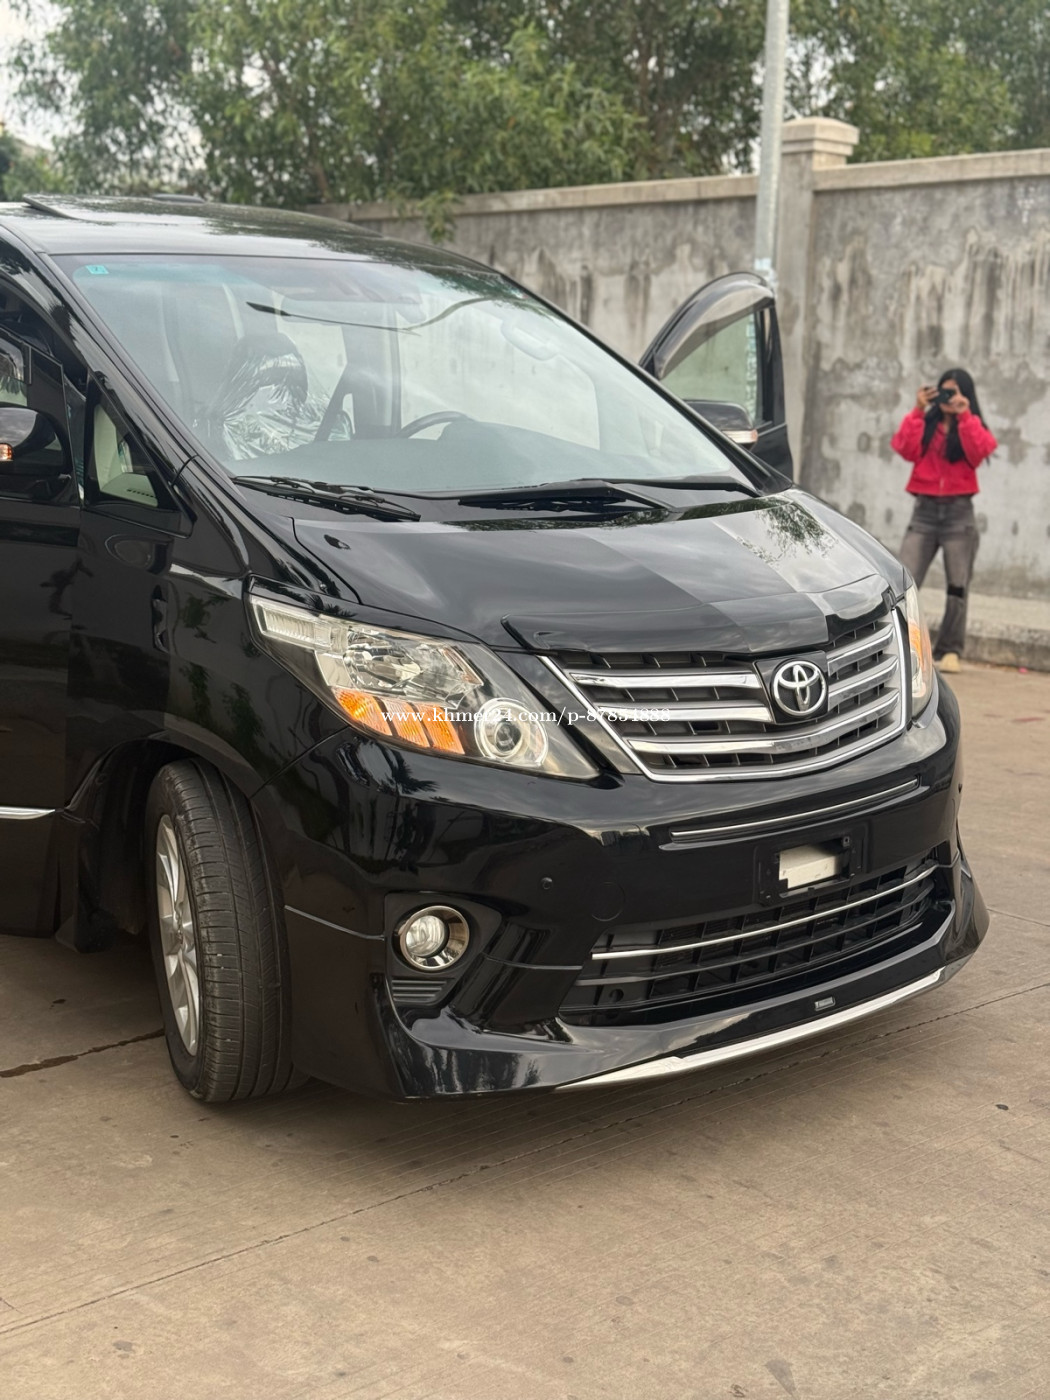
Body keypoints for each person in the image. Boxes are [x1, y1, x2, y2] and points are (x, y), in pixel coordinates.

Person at [890, 368, 997, 674]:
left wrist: (965, 416)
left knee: (957, 586)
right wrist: (917, 409)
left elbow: (980, 451)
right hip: (924, 512)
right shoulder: (925, 423)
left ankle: (950, 650)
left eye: (955, 392)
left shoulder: (971, 425)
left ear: (966, 395)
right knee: (903, 580)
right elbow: (904, 448)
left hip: (958, 514)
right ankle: (901, 645)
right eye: (945, 392)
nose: (949, 398)